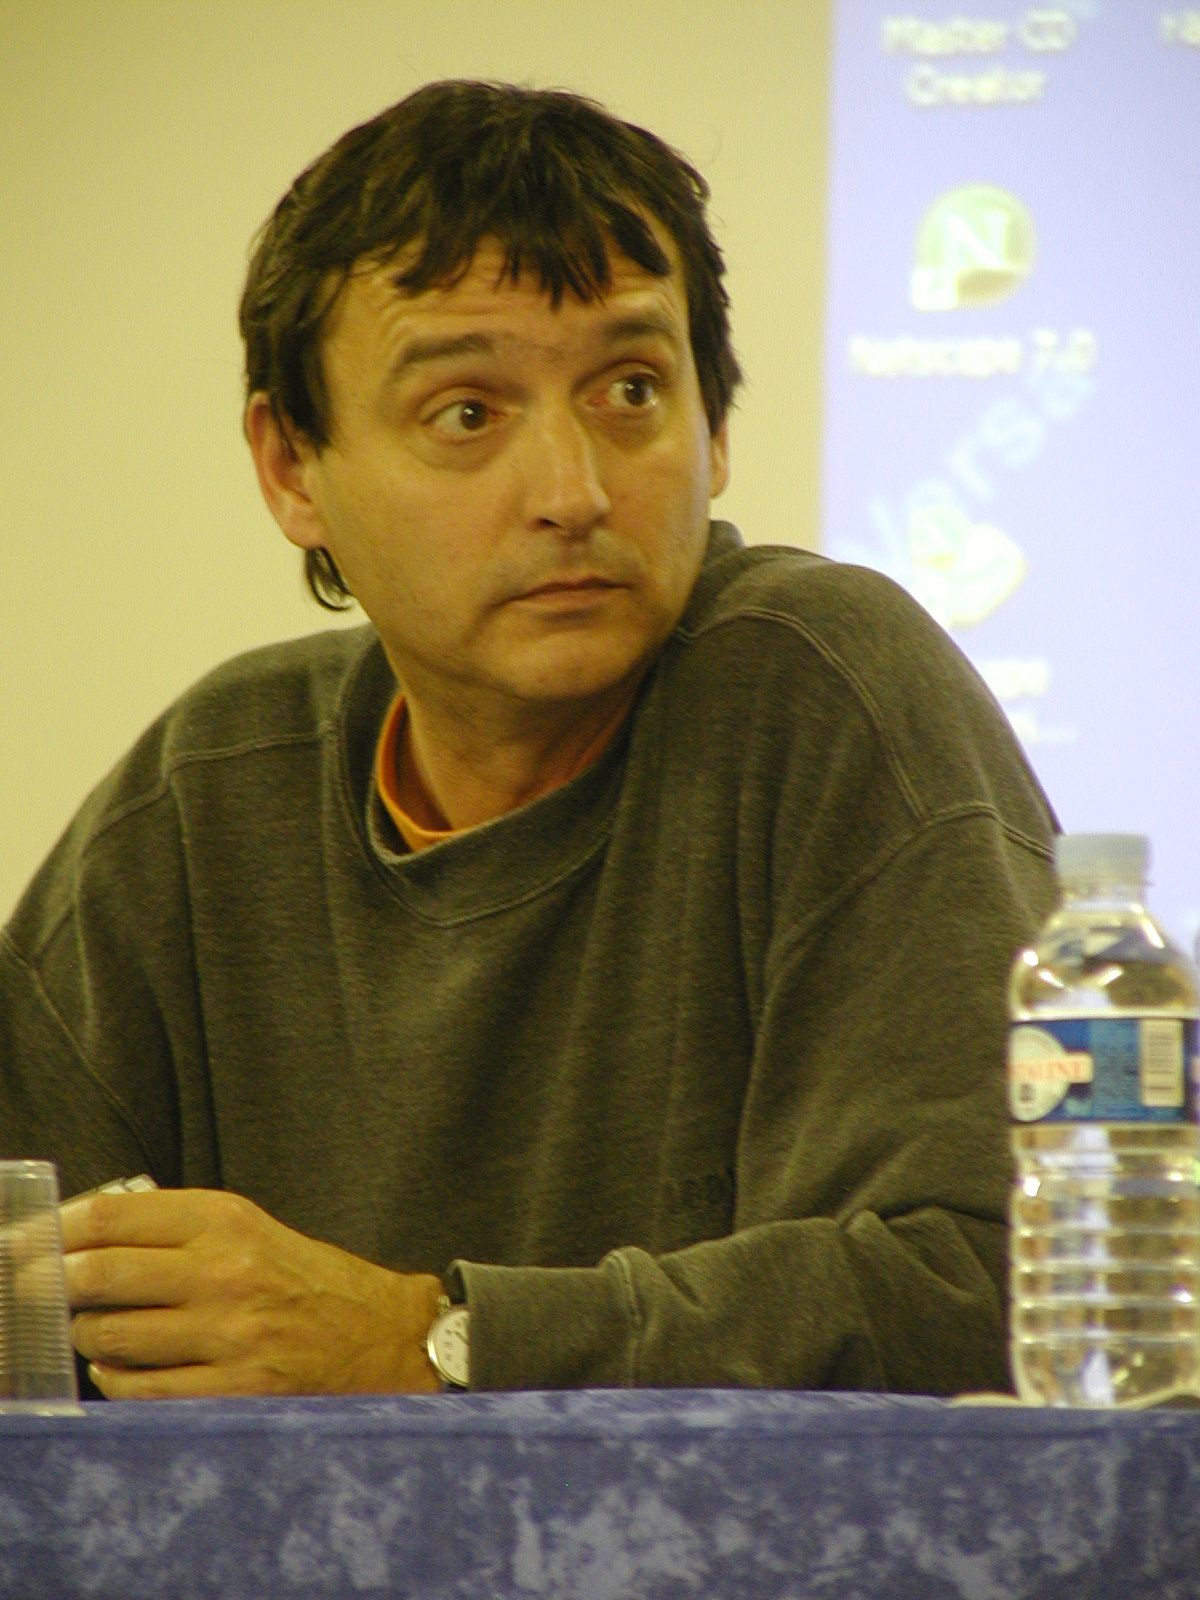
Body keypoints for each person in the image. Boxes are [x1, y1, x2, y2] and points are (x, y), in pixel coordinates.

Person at [0, 81, 1056, 1400]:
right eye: (468, 413)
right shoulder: (208, 791)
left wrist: (427, 1340)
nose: (573, 492)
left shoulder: (822, 687)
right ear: (291, 467)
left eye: (631, 390)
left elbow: (1003, 1287)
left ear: (716, 429)